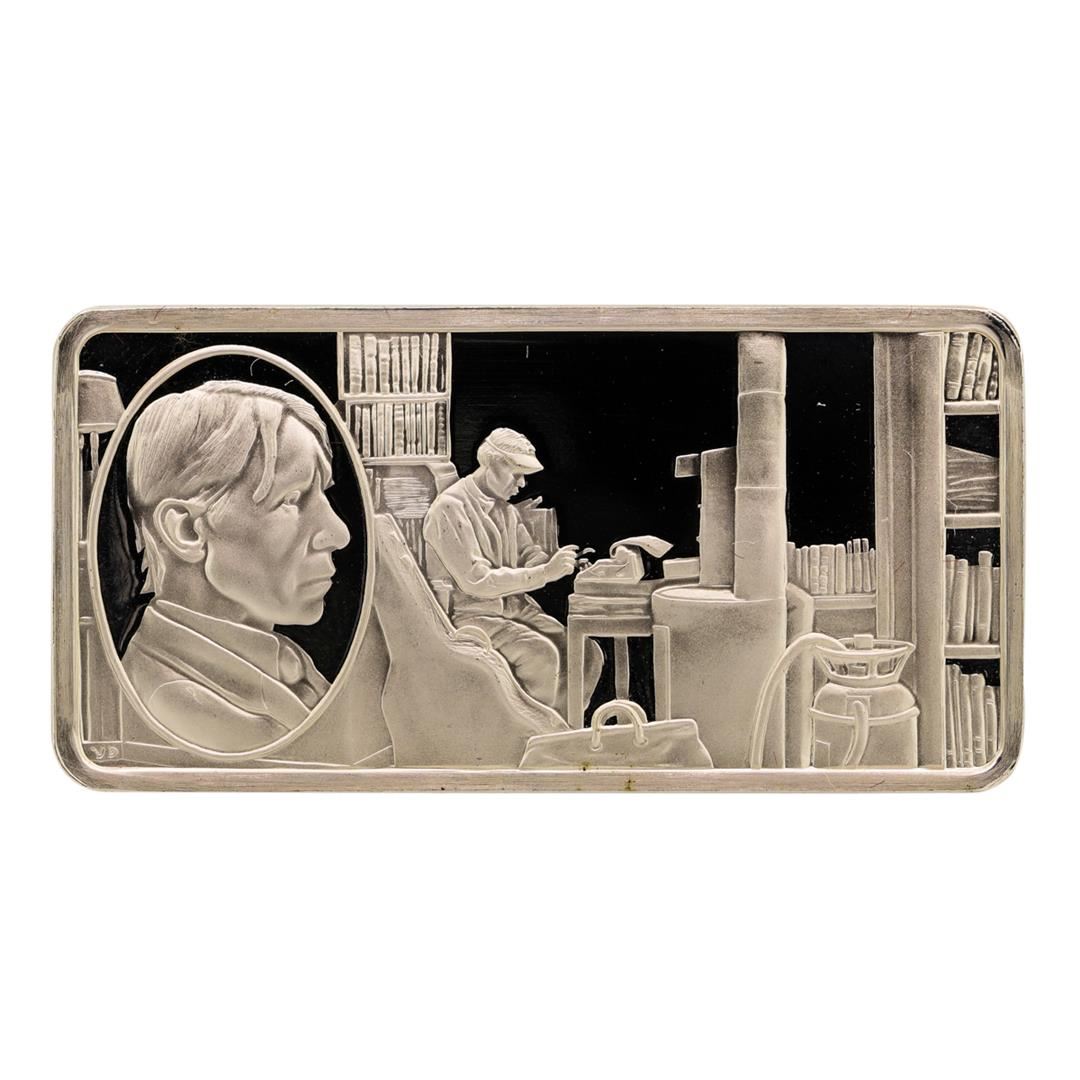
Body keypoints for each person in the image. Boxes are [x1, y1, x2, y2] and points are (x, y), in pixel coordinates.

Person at [121, 381, 351, 753]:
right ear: (187, 530)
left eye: (321, 494)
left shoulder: (284, 662)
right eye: (290, 499)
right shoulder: (180, 707)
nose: (338, 534)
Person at [422, 427, 603, 716]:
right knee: (542, 656)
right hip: (470, 616)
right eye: (516, 474)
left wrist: (563, 563)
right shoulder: (449, 508)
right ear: (492, 464)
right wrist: (545, 572)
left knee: (588, 653)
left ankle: (566, 727)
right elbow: (477, 582)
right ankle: (537, 732)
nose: (522, 484)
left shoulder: (505, 510)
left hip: (514, 609)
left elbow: (529, 554)